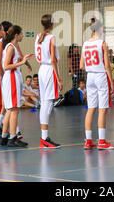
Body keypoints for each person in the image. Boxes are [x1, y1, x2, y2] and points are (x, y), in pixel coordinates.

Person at [80, 19, 114, 150]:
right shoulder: (102, 43)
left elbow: (81, 65)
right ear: (100, 29)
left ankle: (88, 141)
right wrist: (111, 82)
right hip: (100, 75)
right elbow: (107, 65)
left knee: (91, 109)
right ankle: (102, 141)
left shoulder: (85, 44)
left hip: (90, 77)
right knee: (102, 109)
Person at [0, 25, 32, 147]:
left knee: (10, 109)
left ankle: (4, 137)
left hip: (12, 78)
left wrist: (25, 61)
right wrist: (22, 62)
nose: (23, 36)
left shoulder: (11, 47)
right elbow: (6, 66)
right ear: (16, 35)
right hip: (12, 78)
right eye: (22, 34)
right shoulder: (11, 48)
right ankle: (12, 137)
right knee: (14, 109)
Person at [35, 14, 63, 149]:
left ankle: (44, 136)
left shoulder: (38, 37)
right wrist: (59, 78)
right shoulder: (51, 38)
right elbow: (53, 60)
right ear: (52, 24)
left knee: (45, 102)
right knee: (47, 103)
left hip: (41, 70)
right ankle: (44, 138)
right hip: (49, 70)